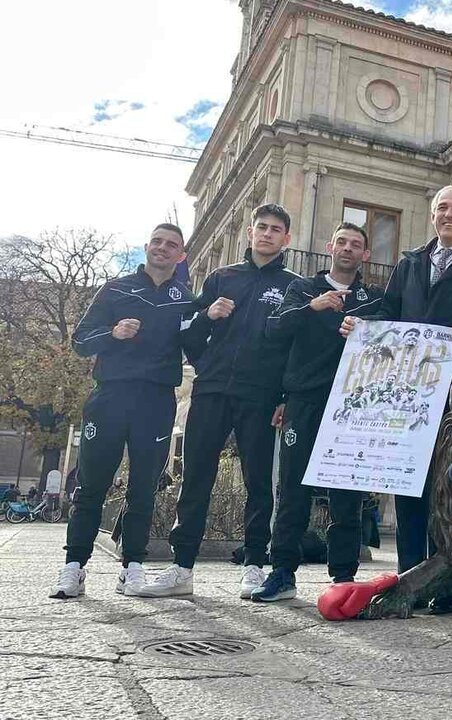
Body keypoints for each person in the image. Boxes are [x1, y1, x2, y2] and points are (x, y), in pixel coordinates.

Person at [340, 185, 452, 614]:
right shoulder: (411, 264)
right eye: (442, 208)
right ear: (433, 216)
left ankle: (446, 584)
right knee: (407, 484)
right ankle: (409, 577)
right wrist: (359, 327)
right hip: (408, 393)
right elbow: (389, 313)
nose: (449, 214)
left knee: (449, 487)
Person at [139, 204, 298, 599]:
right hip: (211, 391)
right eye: (261, 227)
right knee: (195, 477)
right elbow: (188, 334)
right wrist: (208, 316)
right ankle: (182, 566)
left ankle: (254, 565)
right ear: (249, 232)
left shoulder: (296, 286)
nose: (267, 234)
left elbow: (296, 346)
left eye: (275, 230)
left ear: (286, 239)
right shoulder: (221, 277)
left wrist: (285, 396)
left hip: (261, 397)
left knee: (259, 482)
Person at [50, 224, 195, 599]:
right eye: (157, 242)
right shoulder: (115, 289)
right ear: (147, 247)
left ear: (181, 256)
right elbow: (81, 340)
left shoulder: (185, 299)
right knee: (90, 485)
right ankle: (74, 567)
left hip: (157, 400)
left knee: (144, 487)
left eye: (172, 245)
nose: (163, 248)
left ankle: (132, 567)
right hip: (110, 396)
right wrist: (112, 333)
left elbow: (198, 345)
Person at [249, 222, 386, 602]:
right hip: (304, 400)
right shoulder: (302, 289)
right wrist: (312, 307)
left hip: (352, 405)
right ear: (330, 246)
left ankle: (343, 577)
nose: (347, 248)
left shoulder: (372, 298)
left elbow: (394, 335)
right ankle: (282, 573)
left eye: (356, 244)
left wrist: (366, 327)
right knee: (293, 488)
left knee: (347, 495)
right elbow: (274, 331)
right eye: (341, 241)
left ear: (365, 254)